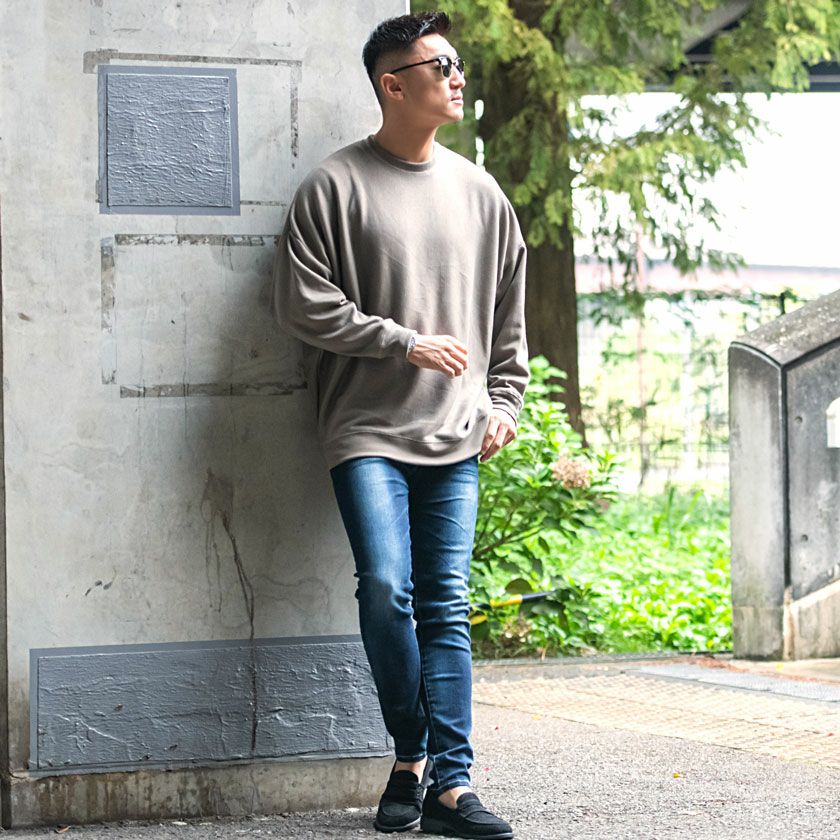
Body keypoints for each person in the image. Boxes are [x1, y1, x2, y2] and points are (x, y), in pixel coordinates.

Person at [272, 10, 528, 839]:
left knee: (446, 603)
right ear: (392, 84)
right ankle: (411, 750)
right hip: (366, 430)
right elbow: (302, 303)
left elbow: (509, 317)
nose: (457, 76)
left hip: (455, 433)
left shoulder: (481, 194)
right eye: (439, 65)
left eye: (456, 63)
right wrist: (402, 341)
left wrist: (506, 402)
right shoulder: (334, 187)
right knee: (386, 588)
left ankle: (449, 785)